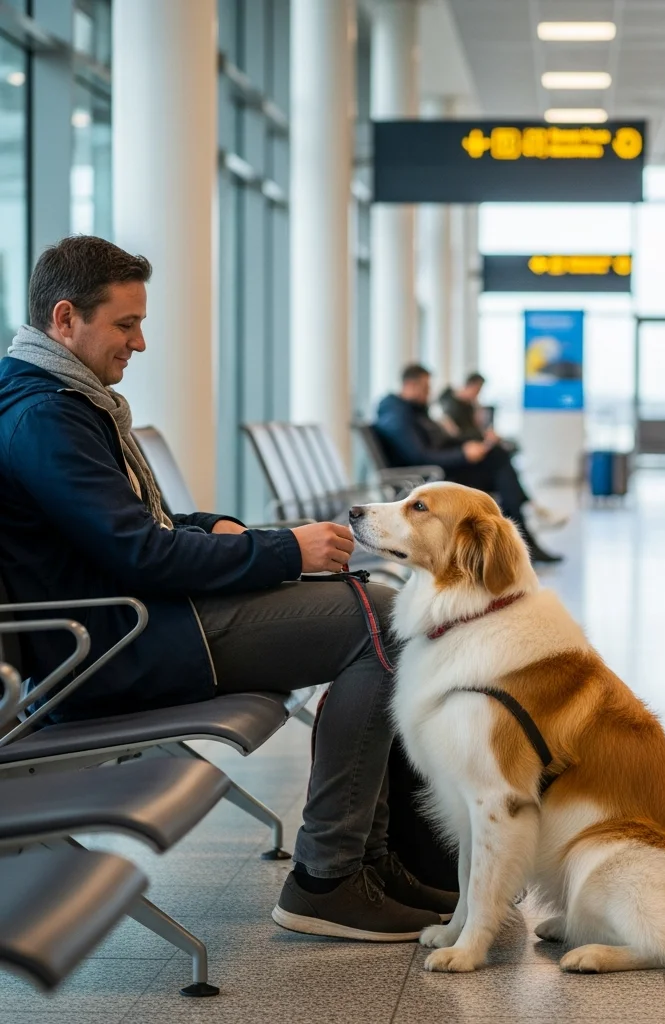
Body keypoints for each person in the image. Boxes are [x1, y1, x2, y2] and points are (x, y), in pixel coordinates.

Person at [0, 235, 457, 941]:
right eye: (126, 324)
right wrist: (280, 549)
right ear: (65, 319)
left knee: (384, 611)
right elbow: (142, 555)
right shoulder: (46, 416)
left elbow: (134, 527)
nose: (140, 342)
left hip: (135, 622)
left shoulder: (61, 401)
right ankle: (331, 876)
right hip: (114, 647)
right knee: (385, 622)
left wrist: (217, 525)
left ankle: (377, 860)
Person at [375, 365, 563, 562]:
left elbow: (437, 443)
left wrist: (468, 445)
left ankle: (521, 539)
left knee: (499, 461)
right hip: (429, 477)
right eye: (425, 388)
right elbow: (420, 457)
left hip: (440, 471)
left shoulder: (412, 412)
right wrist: (462, 455)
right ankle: (524, 536)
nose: (429, 393)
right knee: (499, 465)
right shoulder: (397, 416)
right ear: (411, 385)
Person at [439, 371, 566, 529]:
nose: (478, 394)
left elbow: (475, 431)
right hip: (464, 457)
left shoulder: (469, 405)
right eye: (478, 390)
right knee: (502, 461)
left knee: (505, 456)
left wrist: (486, 433)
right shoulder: (450, 406)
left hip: (475, 449)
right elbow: (457, 436)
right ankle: (529, 510)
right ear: (471, 386)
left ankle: (528, 509)